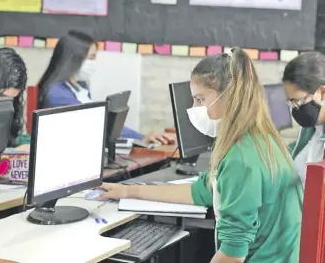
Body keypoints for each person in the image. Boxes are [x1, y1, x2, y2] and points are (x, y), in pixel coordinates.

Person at [98, 48, 303, 263]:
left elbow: (233, 254)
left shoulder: (240, 160)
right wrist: (129, 191)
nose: (194, 108)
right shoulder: (259, 139)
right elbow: (203, 190)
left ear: (229, 97)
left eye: (199, 99)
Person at [37, 30, 173, 144]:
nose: (93, 63)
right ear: (73, 59)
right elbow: (96, 123)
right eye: (91, 58)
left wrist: (141, 137)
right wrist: (141, 138)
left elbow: (103, 124)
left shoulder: (80, 86)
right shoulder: (56, 94)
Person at [282, 51, 325, 185]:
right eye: (290, 102)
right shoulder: (312, 128)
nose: (295, 109)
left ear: (321, 93)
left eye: (297, 101)